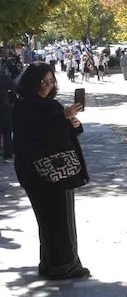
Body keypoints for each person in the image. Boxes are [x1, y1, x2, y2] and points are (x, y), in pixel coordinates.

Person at [12, 62, 90, 280]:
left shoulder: (51, 104)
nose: (47, 86)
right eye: (42, 82)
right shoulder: (24, 105)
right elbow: (33, 135)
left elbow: (65, 131)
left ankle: (53, 262)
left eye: (50, 81)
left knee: (60, 218)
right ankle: (63, 266)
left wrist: (72, 123)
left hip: (61, 170)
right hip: (39, 172)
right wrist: (61, 118)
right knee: (52, 220)